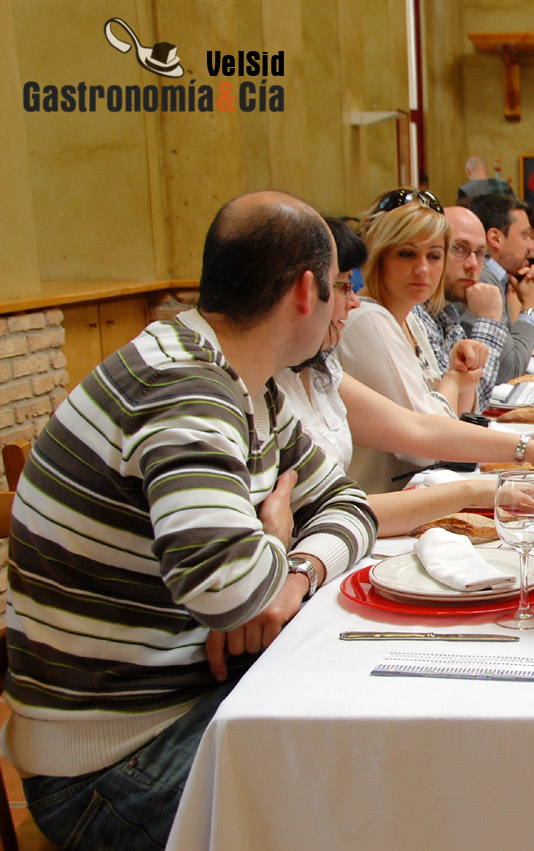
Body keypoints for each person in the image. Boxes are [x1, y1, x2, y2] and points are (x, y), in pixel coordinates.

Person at [2, 191, 378, 848]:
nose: (346, 303)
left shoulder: (246, 382)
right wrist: (274, 535)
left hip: (171, 710)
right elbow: (226, 588)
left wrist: (294, 571)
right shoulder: (185, 388)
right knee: (360, 802)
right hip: (107, 766)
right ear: (303, 291)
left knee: (365, 747)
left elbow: (350, 504)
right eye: (341, 286)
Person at [279, 217, 534, 529]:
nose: (352, 302)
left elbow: (422, 426)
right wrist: (474, 489)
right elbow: (325, 510)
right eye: (345, 285)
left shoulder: (321, 365)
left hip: (366, 526)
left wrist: (528, 448)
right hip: (368, 520)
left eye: (433, 256)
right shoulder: (366, 320)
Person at [335, 189, 489, 486]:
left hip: (415, 498)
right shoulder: (367, 318)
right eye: (406, 254)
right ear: (377, 255)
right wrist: (453, 381)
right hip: (376, 511)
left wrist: (461, 375)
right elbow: (427, 446)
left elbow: (457, 421)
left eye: (433, 256)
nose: (422, 269)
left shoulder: (412, 315)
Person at [420, 205, 508, 412]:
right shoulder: (414, 312)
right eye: (459, 248)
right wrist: (489, 319)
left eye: (479, 253)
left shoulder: (445, 311)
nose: (472, 265)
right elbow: (457, 413)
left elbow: (470, 399)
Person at [466, 193, 534, 384]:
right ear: (495, 238)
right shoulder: (481, 281)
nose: (531, 247)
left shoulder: (497, 276)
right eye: (525, 235)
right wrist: (532, 308)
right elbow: (509, 369)